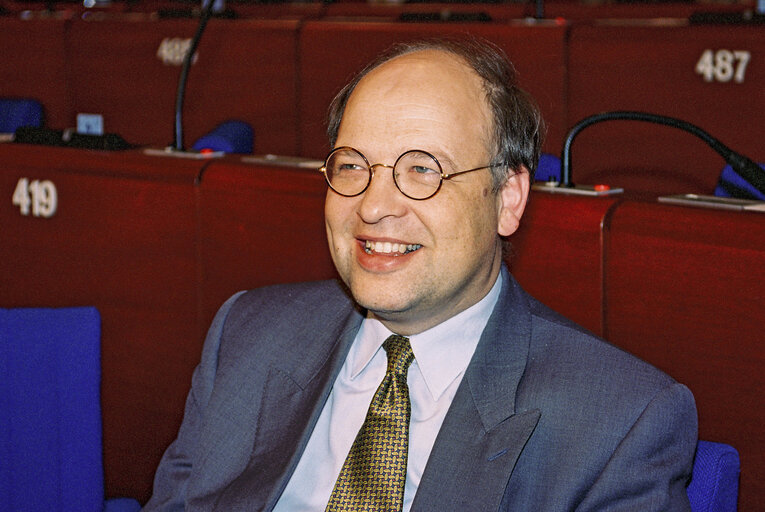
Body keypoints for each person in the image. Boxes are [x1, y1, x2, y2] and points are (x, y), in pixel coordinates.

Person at [143, 38, 697, 511]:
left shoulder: (621, 423)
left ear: (508, 198)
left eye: (421, 170)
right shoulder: (246, 334)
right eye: (353, 165)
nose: (374, 206)